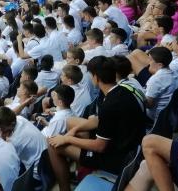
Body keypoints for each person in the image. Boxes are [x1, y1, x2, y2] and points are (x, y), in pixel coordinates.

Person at [47, 56, 147, 191]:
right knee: (72, 123)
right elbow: (97, 121)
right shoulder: (123, 90)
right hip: (130, 146)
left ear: (96, 77)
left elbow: (99, 146)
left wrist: (67, 138)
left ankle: (65, 188)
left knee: (52, 144)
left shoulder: (110, 104)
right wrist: (74, 130)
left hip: (116, 158)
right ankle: (82, 170)